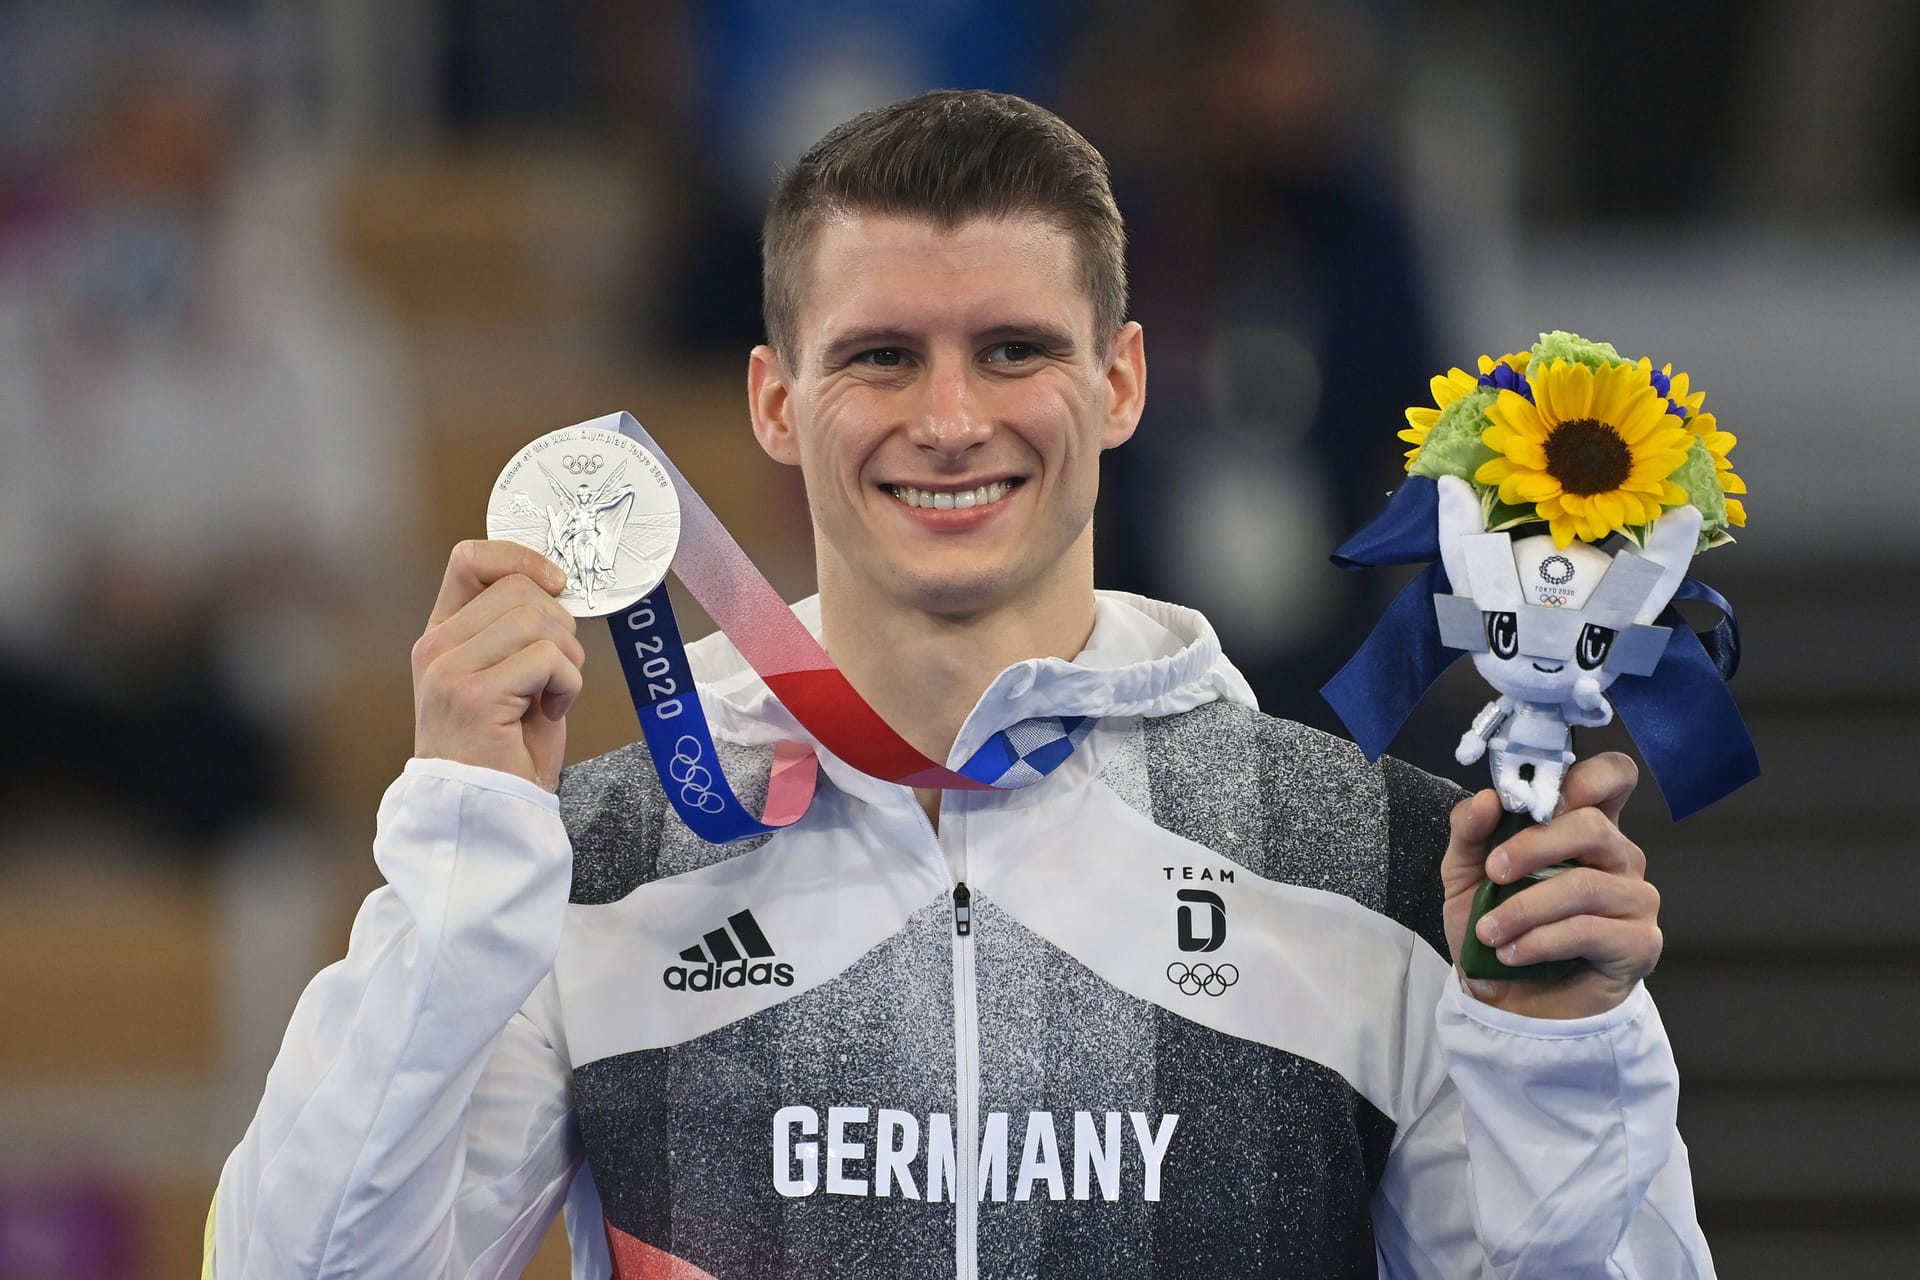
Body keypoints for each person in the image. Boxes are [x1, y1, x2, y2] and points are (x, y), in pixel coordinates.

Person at [206, 90, 1712, 1278]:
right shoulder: (587, 869)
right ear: (776, 403)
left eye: (1010, 350)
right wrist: (463, 860)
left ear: (1119, 382)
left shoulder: (1376, 862)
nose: (948, 418)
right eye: (879, 356)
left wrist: (1558, 1056)